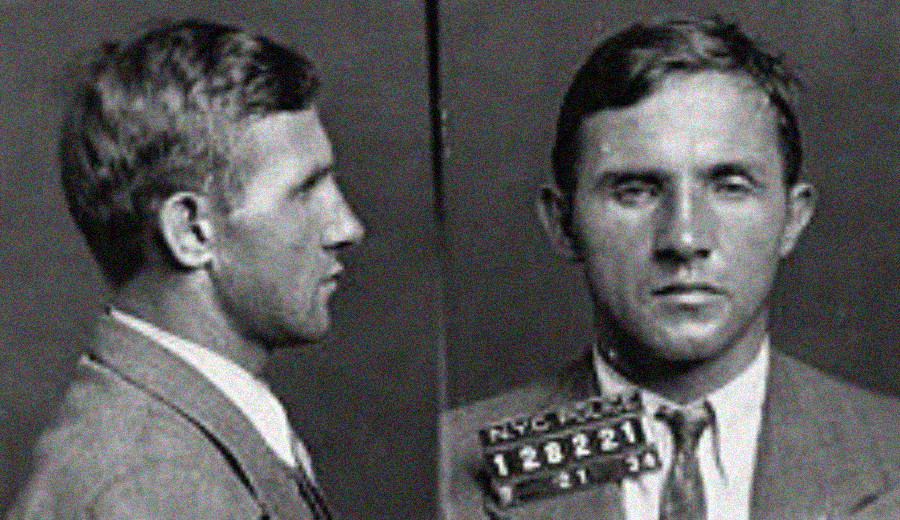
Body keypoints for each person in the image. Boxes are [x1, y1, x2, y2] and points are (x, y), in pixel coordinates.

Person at [441, 16, 900, 520]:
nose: (685, 239)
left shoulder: (889, 457)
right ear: (562, 223)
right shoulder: (447, 472)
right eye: (635, 191)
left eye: (730, 187)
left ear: (793, 218)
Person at [7, 19, 364, 520]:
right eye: (304, 192)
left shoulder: (177, 424)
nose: (347, 227)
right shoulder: (154, 488)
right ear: (193, 232)